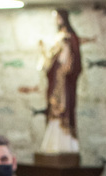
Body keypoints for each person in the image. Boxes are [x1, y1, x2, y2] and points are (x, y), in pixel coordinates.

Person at [38, 9, 82, 154]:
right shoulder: (58, 38)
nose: (57, 20)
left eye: (58, 17)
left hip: (64, 80)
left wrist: (66, 68)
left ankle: (65, 140)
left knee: (64, 107)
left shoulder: (69, 37)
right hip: (56, 78)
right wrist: (43, 50)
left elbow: (73, 60)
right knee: (53, 107)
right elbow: (50, 60)